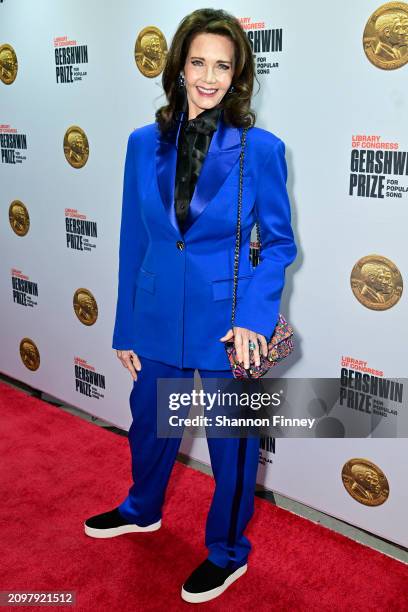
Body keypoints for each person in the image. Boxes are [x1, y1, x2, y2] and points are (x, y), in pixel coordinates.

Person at [84, 8, 297, 604]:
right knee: (150, 425)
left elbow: (278, 244)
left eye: (222, 66)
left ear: (239, 75)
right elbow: (135, 239)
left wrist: (255, 319)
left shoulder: (262, 150)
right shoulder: (140, 143)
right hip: (153, 316)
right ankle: (141, 507)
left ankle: (228, 553)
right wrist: (125, 324)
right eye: (198, 62)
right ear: (178, 66)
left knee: (232, 447)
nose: (209, 76)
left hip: (230, 325)